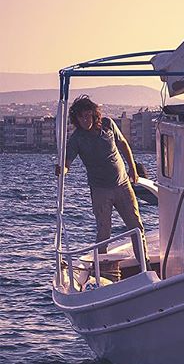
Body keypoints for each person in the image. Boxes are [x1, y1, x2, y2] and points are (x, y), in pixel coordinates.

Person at [56, 95, 149, 266]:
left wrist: (132, 168)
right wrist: (63, 170)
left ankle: (145, 264)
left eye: (88, 115)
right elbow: (67, 162)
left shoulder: (107, 124)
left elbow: (123, 145)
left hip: (122, 185)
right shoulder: (77, 139)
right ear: (76, 119)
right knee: (104, 231)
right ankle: (103, 270)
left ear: (93, 114)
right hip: (100, 190)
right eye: (81, 117)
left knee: (136, 226)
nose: (85, 120)